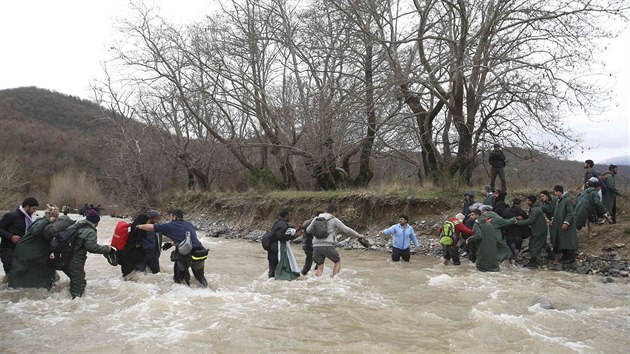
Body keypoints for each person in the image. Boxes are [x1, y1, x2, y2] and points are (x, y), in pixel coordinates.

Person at [8, 204, 74, 289]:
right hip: (29, 252)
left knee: (22, 276)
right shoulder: (43, 222)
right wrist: (48, 219)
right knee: (28, 277)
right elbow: (36, 231)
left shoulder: (43, 222)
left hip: (28, 252)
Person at [137, 209, 208, 287]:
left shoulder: (171, 225)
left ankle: (182, 295)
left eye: (171, 217)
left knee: (179, 280)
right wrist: (171, 244)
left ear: (174, 217)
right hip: (200, 253)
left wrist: (137, 226)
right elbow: (189, 241)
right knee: (200, 278)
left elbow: (152, 227)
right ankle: (207, 291)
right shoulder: (189, 225)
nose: (170, 218)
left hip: (187, 255)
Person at [63, 210, 113, 298]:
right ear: (96, 222)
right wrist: (107, 248)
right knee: (79, 283)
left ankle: (66, 298)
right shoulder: (90, 231)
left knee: (74, 279)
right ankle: (75, 303)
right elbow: (92, 247)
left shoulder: (75, 226)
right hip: (75, 259)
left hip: (64, 256)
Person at [306, 205, 363, 278]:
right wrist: (358, 236)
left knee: (320, 266)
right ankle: (334, 280)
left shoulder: (316, 218)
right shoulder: (334, 219)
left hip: (316, 246)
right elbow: (346, 230)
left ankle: (316, 280)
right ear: (334, 212)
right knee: (337, 261)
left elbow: (308, 230)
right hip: (328, 245)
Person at [0, 197, 39, 283]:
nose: (35, 211)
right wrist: (11, 236)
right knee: (10, 272)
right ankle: (3, 291)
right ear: (27, 207)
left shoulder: (30, 220)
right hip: (7, 249)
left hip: (21, 249)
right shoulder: (10, 216)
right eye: (34, 208)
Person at [516, 196, 552, 268]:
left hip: (538, 229)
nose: (526, 202)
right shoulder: (536, 207)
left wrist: (518, 222)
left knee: (533, 244)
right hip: (541, 228)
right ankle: (551, 255)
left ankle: (533, 261)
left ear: (531, 201)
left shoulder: (535, 209)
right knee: (542, 242)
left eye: (528, 200)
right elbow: (531, 217)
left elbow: (531, 220)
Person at [549, 185, 578, 266]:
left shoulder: (567, 200)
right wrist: (552, 220)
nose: (555, 193)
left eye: (555, 191)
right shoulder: (559, 201)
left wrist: (566, 222)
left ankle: (571, 258)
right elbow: (556, 213)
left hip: (566, 225)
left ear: (559, 191)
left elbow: (570, 213)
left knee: (568, 240)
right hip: (560, 224)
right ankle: (565, 256)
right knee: (562, 240)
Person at [117, 214, 149, 279]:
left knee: (126, 275)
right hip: (133, 253)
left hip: (124, 252)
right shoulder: (140, 228)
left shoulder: (131, 226)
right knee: (133, 274)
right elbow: (140, 240)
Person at [299, 210, 323, 276]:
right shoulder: (313, 221)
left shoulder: (307, 221)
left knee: (317, 259)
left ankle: (314, 273)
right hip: (309, 245)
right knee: (309, 262)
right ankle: (302, 274)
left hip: (308, 244)